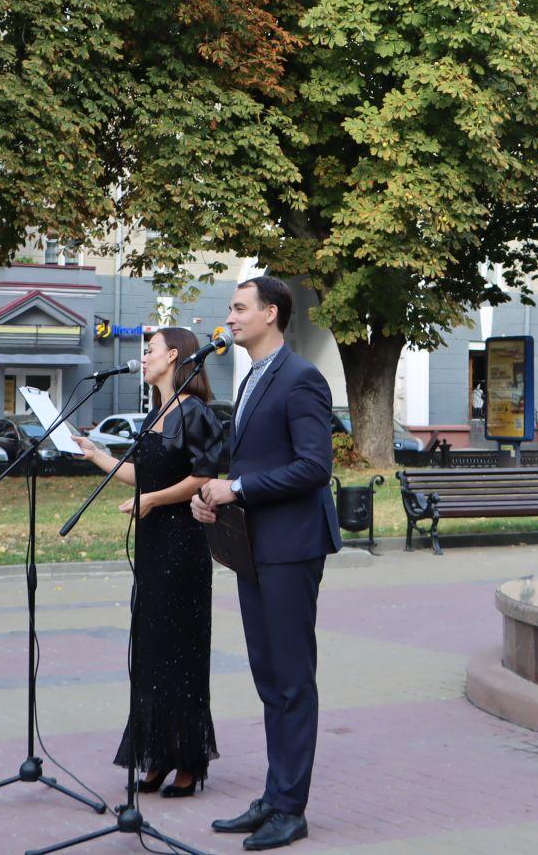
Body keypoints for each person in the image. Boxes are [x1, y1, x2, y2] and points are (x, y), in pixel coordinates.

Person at [191, 275, 337, 851]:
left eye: (239, 307)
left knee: (292, 678)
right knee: (267, 675)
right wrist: (215, 499)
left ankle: (290, 808)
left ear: (271, 313)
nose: (229, 317)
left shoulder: (301, 378)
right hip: (256, 547)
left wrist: (238, 489)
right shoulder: (252, 376)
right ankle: (275, 796)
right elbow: (244, 465)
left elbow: (313, 467)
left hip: (292, 548)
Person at [73, 326, 225, 798]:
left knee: (180, 652)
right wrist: (97, 455)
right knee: (153, 650)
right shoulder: (155, 414)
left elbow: (204, 475)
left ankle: (187, 763)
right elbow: (144, 474)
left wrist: (154, 501)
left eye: (150, 350)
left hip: (183, 546)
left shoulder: (194, 412)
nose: (142, 358)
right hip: (154, 544)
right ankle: (156, 756)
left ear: (173, 355)